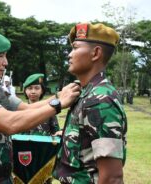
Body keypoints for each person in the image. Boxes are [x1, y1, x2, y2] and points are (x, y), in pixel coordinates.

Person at [0, 30, 80, 184]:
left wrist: (60, 96)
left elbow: (26, 109)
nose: (5, 62)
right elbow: (10, 123)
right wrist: (58, 104)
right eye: (0, 56)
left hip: (3, 177)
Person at [52, 23, 127, 184]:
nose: (69, 55)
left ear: (96, 53)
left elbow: (112, 177)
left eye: (75, 48)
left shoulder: (99, 100)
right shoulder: (86, 94)